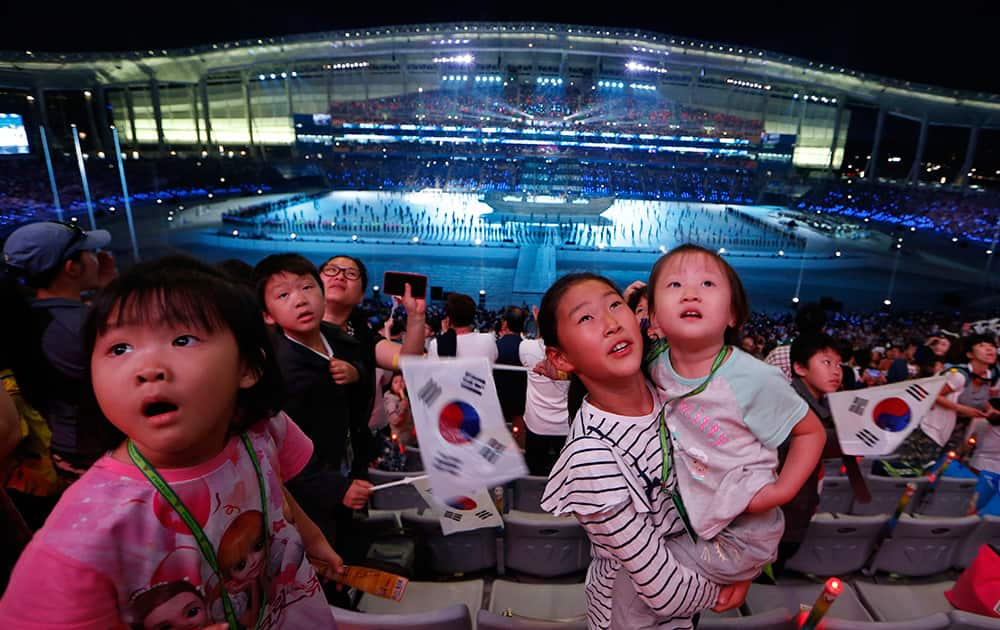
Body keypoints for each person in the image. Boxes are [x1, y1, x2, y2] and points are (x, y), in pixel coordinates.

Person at [0, 255, 342, 628]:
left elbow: (272, 487)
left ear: (248, 367)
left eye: (182, 339)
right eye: (119, 348)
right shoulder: (83, 535)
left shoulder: (264, 430)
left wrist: (311, 536)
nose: (148, 369)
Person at [539, 272, 751, 630]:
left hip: (690, 602)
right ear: (560, 358)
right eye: (586, 318)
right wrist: (737, 575)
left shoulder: (674, 393)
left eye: (614, 305)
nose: (610, 323)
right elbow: (664, 590)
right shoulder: (591, 457)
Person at [643, 244, 826, 586]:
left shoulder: (753, 378)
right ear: (653, 316)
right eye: (674, 285)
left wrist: (782, 491)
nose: (691, 294)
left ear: (733, 315)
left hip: (741, 533)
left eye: (708, 285)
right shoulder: (652, 364)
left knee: (646, 583)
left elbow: (811, 433)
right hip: (689, 519)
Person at [254, 253, 374, 563]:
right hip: (317, 494)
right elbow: (283, 451)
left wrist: (356, 372)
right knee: (328, 559)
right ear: (268, 315)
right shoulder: (282, 372)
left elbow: (364, 365)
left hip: (348, 463)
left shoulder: (336, 337)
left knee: (349, 546)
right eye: (284, 295)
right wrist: (336, 489)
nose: (300, 301)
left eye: (307, 288)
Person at [2, 221, 118, 479]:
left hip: (69, 449)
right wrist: (114, 292)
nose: (97, 257)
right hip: (98, 456)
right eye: (88, 251)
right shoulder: (77, 327)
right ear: (72, 267)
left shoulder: (32, 317)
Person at [779, 332, 845, 575]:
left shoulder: (823, 404)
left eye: (839, 364)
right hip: (779, 514)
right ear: (799, 367)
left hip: (799, 505)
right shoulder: (789, 402)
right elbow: (807, 442)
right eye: (826, 363)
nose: (836, 371)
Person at [427, 293, 498, 361]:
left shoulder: (436, 344)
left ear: (448, 320)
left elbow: (433, 371)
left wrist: (445, 335)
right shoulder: (488, 340)